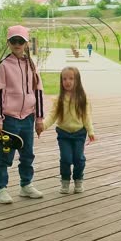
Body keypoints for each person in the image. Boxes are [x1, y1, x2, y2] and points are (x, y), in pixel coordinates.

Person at [0, 25, 45, 204]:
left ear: (26, 44)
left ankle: (25, 185)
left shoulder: (31, 65)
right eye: (14, 41)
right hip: (9, 119)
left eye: (21, 41)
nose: (17, 44)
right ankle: (1, 188)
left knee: (28, 154)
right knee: (5, 155)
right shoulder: (4, 66)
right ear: (8, 43)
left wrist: (39, 119)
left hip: (28, 118)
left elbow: (38, 91)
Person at [44, 66, 95, 194]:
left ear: (77, 80)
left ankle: (78, 180)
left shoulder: (82, 99)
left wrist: (91, 131)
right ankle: (65, 181)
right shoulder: (59, 99)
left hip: (79, 134)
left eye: (71, 78)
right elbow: (52, 115)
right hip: (64, 134)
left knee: (79, 158)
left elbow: (87, 116)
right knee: (66, 158)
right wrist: (43, 125)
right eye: (64, 79)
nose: (68, 81)